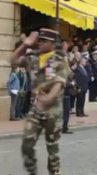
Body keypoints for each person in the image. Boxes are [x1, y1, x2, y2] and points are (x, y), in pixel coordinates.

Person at [12, 28, 70, 175]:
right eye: (40, 40)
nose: (41, 43)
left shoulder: (60, 60)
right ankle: (32, 171)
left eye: (45, 41)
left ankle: (55, 172)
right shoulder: (33, 58)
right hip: (36, 109)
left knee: (52, 149)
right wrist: (25, 45)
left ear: (53, 43)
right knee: (27, 144)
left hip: (52, 111)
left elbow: (59, 83)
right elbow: (13, 60)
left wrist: (49, 97)